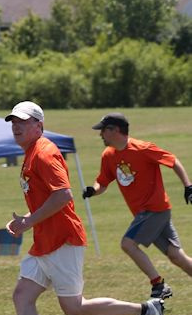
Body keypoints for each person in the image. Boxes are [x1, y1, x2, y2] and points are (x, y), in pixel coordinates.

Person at [0, 101, 168, 315]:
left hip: (63, 240)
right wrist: (25, 220)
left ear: (39, 126)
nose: (16, 127)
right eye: (13, 122)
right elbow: (47, 200)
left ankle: (146, 310)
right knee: (22, 296)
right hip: (45, 241)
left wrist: (28, 221)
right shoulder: (31, 153)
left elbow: (63, 195)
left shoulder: (44, 153)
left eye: (23, 121)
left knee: (74, 308)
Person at [81, 112, 192, 300]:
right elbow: (103, 182)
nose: (100, 135)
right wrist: (93, 190)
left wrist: (188, 186)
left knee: (128, 244)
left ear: (115, 130)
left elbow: (173, 161)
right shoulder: (108, 155)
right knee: (176, 256)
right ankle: (160, 284)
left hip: (154, 209)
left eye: (103, 130)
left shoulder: (142, 148)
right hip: (146, 213)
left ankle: (158, 284)